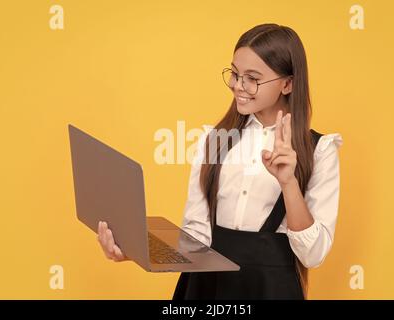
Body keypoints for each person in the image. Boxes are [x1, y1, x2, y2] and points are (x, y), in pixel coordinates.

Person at [97, 23, 343, 300]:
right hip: (205, 288)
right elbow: (196, 237)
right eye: (235, 74)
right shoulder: (213, 139)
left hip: (271, 289)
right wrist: (134, 250)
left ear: (288, 84)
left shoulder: (320, 150)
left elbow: (313, 254)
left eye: (252, 78)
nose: (238, 86)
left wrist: (288, 183)